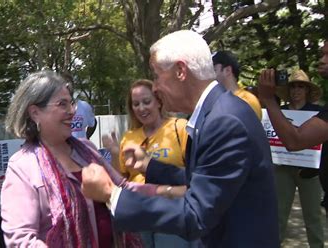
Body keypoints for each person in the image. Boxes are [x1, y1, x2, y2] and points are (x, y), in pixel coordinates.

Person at [81, 30, 279, 248]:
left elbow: (196, 214)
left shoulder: (223, 122)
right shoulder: (216, 113)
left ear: (180, 71)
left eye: (157, 75)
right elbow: (203, 179)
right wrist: (149, 165)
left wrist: (113, 195)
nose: (155, 87)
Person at [0, 70, 183, 247]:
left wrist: (170, 191)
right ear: (35, 113)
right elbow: (20, 239)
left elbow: (122, 189)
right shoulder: (23, 166)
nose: (72, 111)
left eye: (71, 103)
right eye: (62, 104)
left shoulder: (86, 150)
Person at [103, 79, 188, 248]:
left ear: (159, 101)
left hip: (170, 211)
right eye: (136, 104)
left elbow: (194, 173)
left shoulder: (180, 128)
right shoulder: (129, 137)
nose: (141, 108)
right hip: (137, 212)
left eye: (146, 102)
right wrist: (114, 153)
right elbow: (120, 180)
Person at [269, 69, 325, 247]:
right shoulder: (279, 111)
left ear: (307, 91)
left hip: (311, 171)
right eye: (293, 86)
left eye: (301, 86)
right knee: (278, 213)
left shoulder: (320, 112)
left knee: (313, 215)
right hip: (282, 168)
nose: (296, 90)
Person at [212, 50, 263, 120]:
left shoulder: (247, 100)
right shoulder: (216, 100)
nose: (210, 75)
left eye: (214, 70)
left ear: (227, 70)